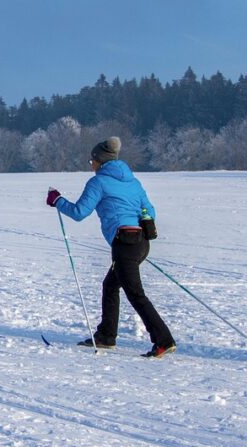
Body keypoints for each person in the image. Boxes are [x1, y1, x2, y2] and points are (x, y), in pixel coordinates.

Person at [46, 136, 177, 358]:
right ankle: (106, 336)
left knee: (135, 294)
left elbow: (79, 213)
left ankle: (164, 340)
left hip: (124, 243)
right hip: (141, 243)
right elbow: (150, 212)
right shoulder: (133, 182)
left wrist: (57, 200)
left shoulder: (98, 182)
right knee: (110, 285)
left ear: (100, 161)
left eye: (91, 161)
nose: (91, 165)